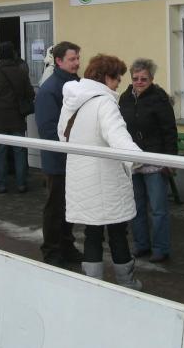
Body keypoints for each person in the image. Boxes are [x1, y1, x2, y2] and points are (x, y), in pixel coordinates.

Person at [58, 54, 144, 290]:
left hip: (80, 180)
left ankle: (91, 286)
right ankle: (126, 283)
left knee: (92, 233)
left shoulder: (73, 101)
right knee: (117, 232)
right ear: (106, 77)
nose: (118, 84)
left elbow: (62, 135)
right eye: (117, 79)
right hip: (107, 181)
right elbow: (118, 136)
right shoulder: (104, 103)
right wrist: (139, 159)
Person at [118, 58, 177, 263]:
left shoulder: (160, 99)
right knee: (137, 206)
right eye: (135, 78)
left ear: (151, 79)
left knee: (158, 209)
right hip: (133, 160)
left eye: (144, 79)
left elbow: (169, 131)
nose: (139, 82)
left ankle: (161, 248)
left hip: (155, 161)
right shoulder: (125, 98)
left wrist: (170, 161)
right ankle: (141, 245)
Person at [34, 41, 84, 267]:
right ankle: (52, 250)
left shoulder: (77, 84)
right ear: (59, 61)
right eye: (72, 59)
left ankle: (66, 246)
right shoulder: (50, 89)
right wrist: (67, 152)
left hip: (74, 158)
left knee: (70, 206)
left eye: (78, 58)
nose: (77, 63)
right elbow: (48, 129)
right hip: (58, 160)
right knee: (55, 208)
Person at [0, 42, 34, 194]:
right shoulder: (21, 73)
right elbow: (30, 94)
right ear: (12, 55)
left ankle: (1, 184)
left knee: (0, 152)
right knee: (19, 151)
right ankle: (21, 183)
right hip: (17, 118)